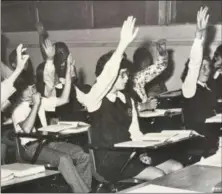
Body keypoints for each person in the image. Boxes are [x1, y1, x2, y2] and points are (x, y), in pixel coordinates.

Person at [75, 16, 183, 182]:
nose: (127, 78)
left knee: (177, 168)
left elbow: (135, 133)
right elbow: (107, 76)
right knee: (159, 176)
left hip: (131, 155)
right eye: (122, 74)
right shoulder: (95, 99)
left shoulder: (127, 99)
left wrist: (143, 153)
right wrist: (122, 44)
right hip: (110, 161)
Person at [11, 53, 92, 193]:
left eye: (33, 88)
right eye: (27, 89)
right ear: (19, 92)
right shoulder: (19, 110)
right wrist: (36, 106)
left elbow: (64, 99)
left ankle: (83, 189)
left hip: (48, 143)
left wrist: (68, 73)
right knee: (64, 159)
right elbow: (27, 129)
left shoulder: (40, 101)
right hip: (30, 148)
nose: (31, 92)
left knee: (82, 154)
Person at [181, 6, 218, 155]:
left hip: (211, 137)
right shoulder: (190, 88)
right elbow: (194, 63)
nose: (204, 70)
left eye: (207, 67)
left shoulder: (209, 89)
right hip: (198, 141)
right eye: (201, 67)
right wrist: (199, 35)